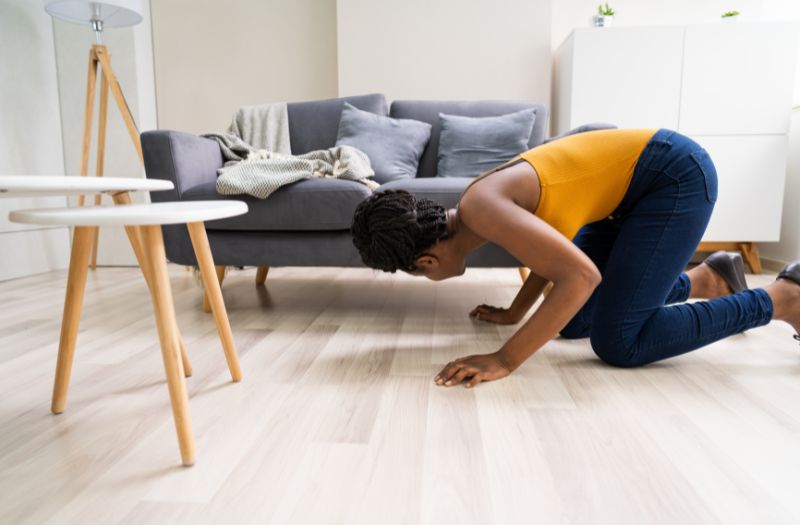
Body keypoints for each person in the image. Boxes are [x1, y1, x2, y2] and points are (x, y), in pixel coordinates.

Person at [350, 128, 800, 388]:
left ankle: (781, 299)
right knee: (571, 321)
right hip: (627, 198)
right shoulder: (476, 209)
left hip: (671, 178)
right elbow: (551, 257)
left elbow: (579, 275)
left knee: (620, 342)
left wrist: (505, 359)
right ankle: (707, 280)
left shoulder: (481, 209)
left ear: (425, 262)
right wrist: (516, 312)